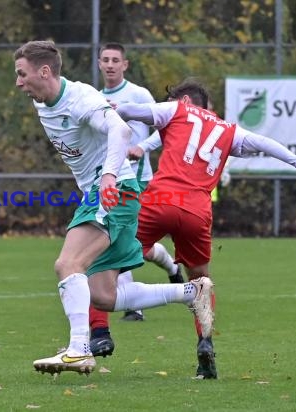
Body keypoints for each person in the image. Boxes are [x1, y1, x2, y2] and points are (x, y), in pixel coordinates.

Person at [14, 41, 215, 376]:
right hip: (108, 192)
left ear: (44, 71)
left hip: (112, 191)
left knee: (68, 263)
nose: (18, 82)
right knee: (104, 296)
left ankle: (79, 349)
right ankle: (190, 292)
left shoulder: (79, 98)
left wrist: (108, 175)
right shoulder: (44, 102)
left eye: (22, 74)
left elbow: (120, 129)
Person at [116, 79, 296, 379]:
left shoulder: (178, 110)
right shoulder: (228, 130)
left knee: (109, 257)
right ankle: (205, 343)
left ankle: (93, 336)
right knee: (202, 280)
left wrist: (106, 109)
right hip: (197, 209)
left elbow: (131, 110)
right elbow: (262, 142)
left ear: (187, 100)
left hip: (161, 199)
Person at [88, 42, 184, 358]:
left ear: (125, 64)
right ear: (99, 64)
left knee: (119, 244)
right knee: (126, 244)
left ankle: (103, 327)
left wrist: (144, 148)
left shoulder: (139, 95)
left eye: (116, 60)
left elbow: (168, 127)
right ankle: (173, 273)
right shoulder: (94, 98)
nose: (111, 64)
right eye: (106, 60)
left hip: (137, 182)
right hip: (107, 182)